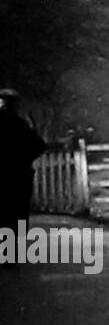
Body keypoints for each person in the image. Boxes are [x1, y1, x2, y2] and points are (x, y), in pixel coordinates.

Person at [0, 89, 47, 262]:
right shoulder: (20, 124)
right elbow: (39, 146)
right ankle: (11, 256)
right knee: (17, 214)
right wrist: (23, 159)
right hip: (18, 176)